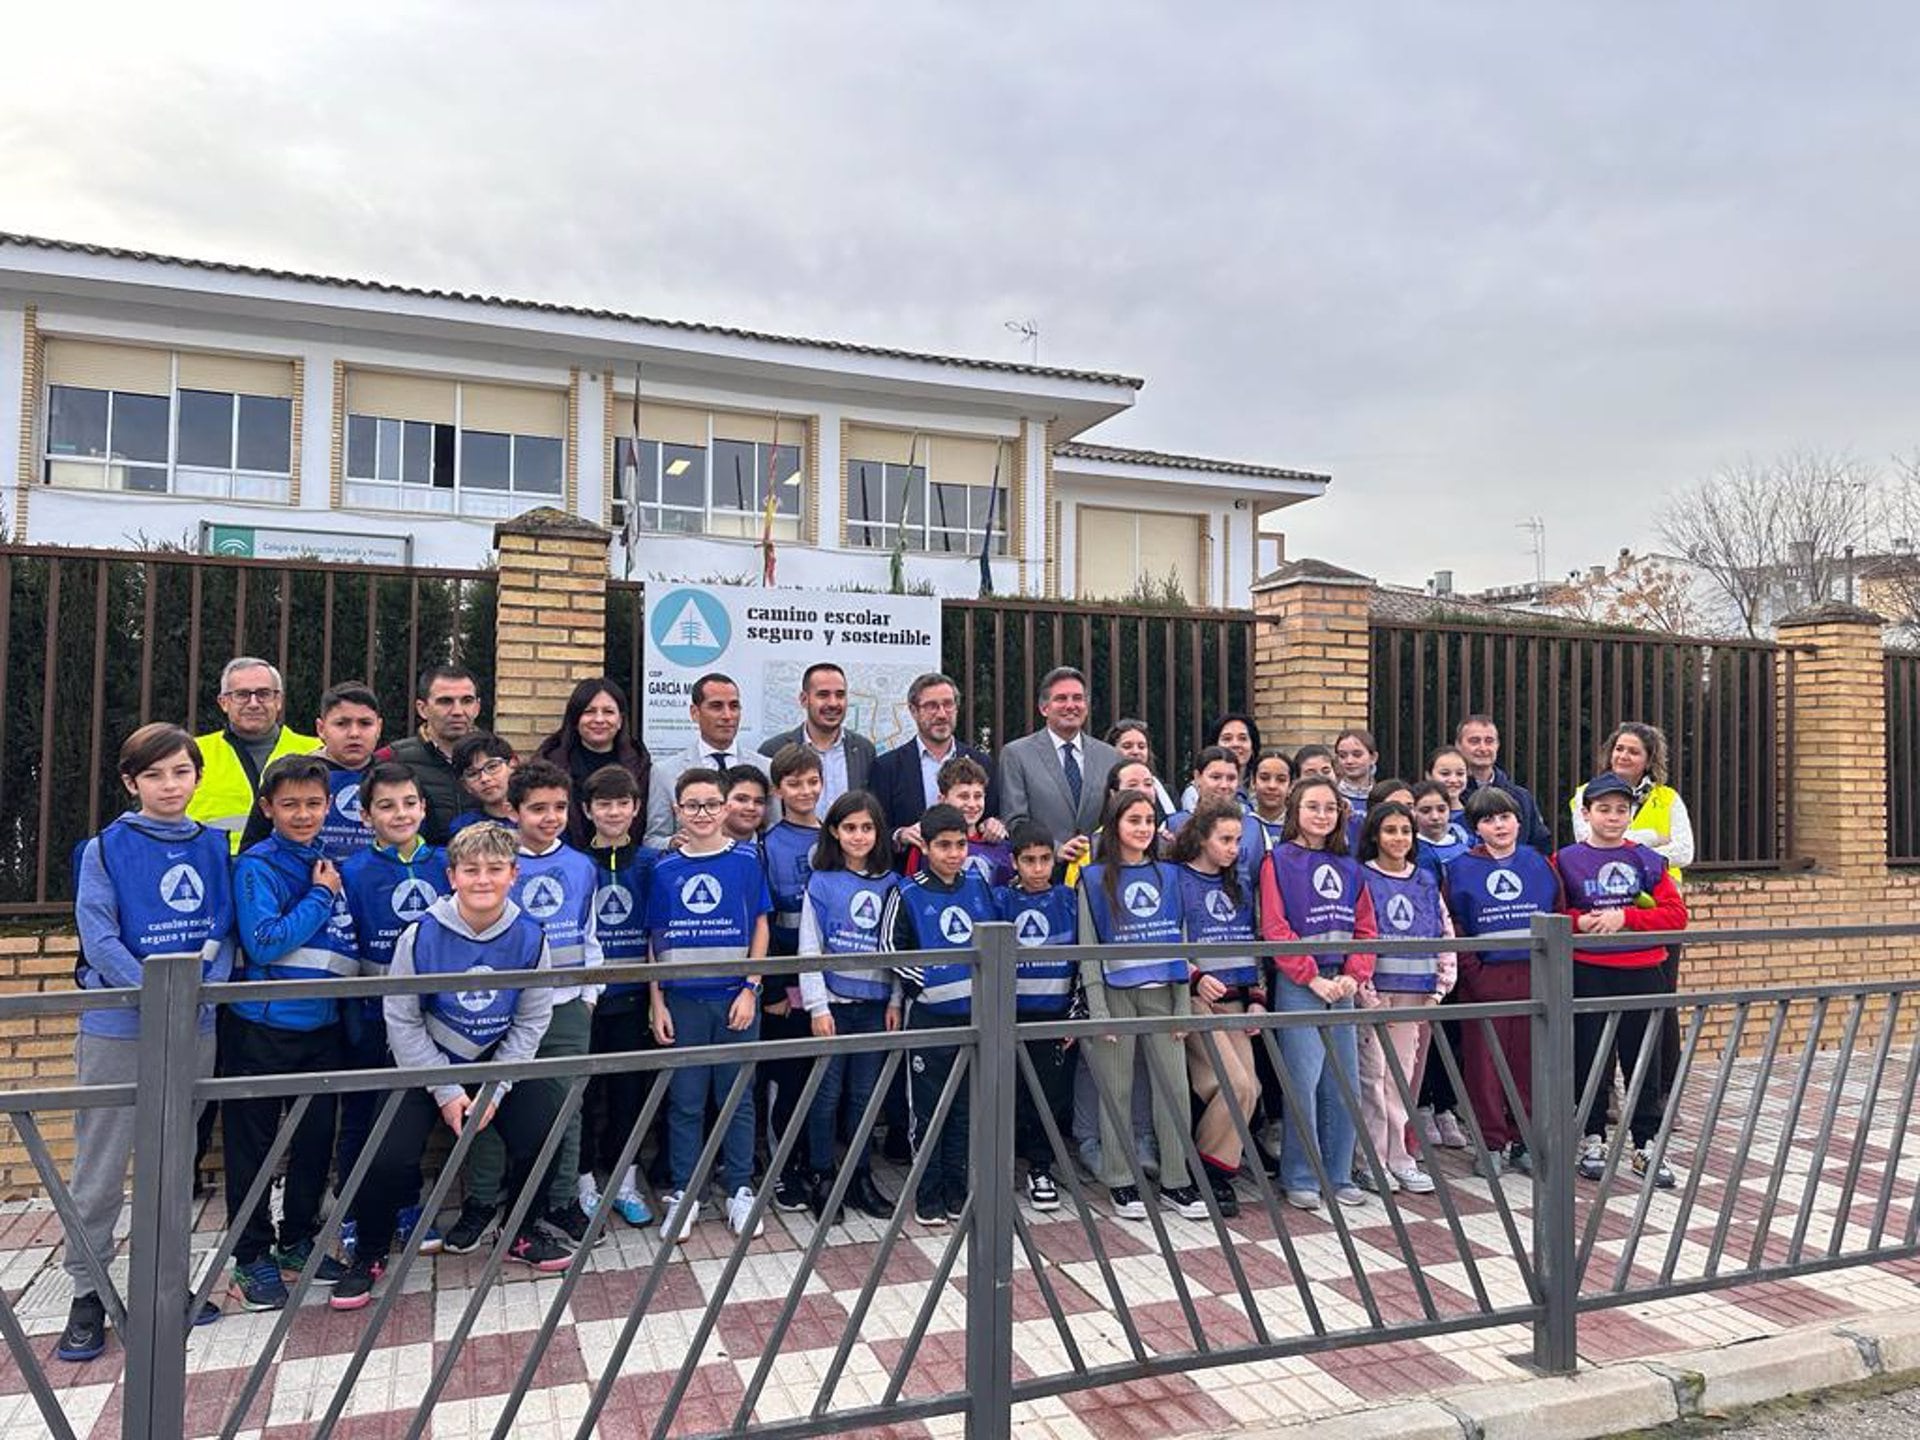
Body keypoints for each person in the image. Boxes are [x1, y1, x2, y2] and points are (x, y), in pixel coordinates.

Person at [331, 823, 572, 1309]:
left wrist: (495, 1088)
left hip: (495, 1061)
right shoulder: (420, 935)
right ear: (452, 876)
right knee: (387, 1153)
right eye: (471, 870)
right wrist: (445, 1089)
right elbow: (401, 1019)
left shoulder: (530, 935)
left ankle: (521, 1231)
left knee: (546, 1131)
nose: (483, 880)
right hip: (428, 1062)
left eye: (495, 870)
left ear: (514, 874)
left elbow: (532, 1018)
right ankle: (371, 1253)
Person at [58, 725, 233, 1362]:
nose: (170, 786)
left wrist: (199, 993)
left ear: (196, 777)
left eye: (181, 773)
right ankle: (87, 1291)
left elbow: (223, 928)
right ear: (132, 782)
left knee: (172, 1163)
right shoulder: (104, 849)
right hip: (119, 1029)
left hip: (196, 1027)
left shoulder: (217, 846)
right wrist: (160, 994)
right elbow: (100, 939)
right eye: (155, 775)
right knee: (100, 1171)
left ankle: (164, 1283)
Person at [445, 760, 603, 1253]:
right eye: (537, 808)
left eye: (559, 807)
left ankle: (560, 1201)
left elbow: (589, 932)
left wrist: (588, 996)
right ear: (513, 811)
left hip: (565, 1008)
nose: (550, 817)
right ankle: (483, 1202)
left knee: (565, 1108)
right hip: (499, 1010)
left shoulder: (581, 865)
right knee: (490, 1108)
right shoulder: (496, 864)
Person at [223, 753, 358, 1310]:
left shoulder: (326, 859)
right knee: (252, 1146)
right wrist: (321, 896)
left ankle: (297, 1240)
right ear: (267, 808)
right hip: (262, 1029)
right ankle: (251, 1254)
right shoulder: (256, 865)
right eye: (289, 805)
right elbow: (265, 941)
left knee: (312, 1142)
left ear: (328, 806)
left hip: (320, 1028)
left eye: (313, 804)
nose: (302, 815)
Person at [649, 768, 771, 1244]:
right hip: (683, 1001)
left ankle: (740, 1187)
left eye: (710, 805)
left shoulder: (745, 860)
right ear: (677, 810)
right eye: (691, 805)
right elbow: (653, 940)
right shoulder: (663, 868)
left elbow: (760, 925)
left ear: (725, 809)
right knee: (685, 1101)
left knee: (737, 1099)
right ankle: (686, 1191)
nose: (702, 813)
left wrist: (751, 986)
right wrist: (656, 1003)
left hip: (734, 999)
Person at [1076, 788, 1207, 1222]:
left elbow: (1180, 942)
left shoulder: (1170, 876)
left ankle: (1176, 1179)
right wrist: (1097, 1010)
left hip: (1163, 995)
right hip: (1114, 994)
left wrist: (1183, 1004)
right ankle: (1120, 1179)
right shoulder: (1094, 879)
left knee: (1173, 1089)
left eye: (1149, 820)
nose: (1143, 828)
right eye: (1133, 820)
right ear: (1115, 825)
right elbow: (1088, 949)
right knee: (1116, 1090)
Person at [337, 762, 449, 1255]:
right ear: (365, 816)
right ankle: (356, 1209)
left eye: (408, 802)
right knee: (361, 1115)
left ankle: (406, 1205)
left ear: (423, 808)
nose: (399, 813)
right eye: (386, 805)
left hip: (433, 1018)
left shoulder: (446, 863)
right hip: (368, 1015)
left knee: (408, 1117)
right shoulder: (352, 872)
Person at [1558, 772, 1689, 1189]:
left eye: (1621, 810)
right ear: (1586, 813)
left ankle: (1646, 1142)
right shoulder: (1564, 860)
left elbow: (1675, 915)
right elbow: (1553, 913)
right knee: (1589, 1056)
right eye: (1604, 809)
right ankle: (1592, 1138)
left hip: (1643, 968)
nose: (1613, 817)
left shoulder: (1648, 860)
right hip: (1590, 969)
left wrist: (1626, 917)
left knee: (1644, 1059)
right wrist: (1582, 921)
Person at [1259, 775, 1376, 1211]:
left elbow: (1366, 928)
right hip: (1300, 984)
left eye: (1330, 808)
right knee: (1302, 1084)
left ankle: (1339, 1173)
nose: (1322, 815)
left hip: (1341, 983)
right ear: (1296, 811)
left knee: (1342, 1083)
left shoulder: (1350, 866)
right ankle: (1300, 1175)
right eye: (1313, 807)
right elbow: (1275, 927)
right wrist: (1310, 978)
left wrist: (1354, 974)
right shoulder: (1279, 862)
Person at [883, 803, 1003, 1226]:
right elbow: (890, 948)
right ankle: (927, 1192)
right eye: (944, 846)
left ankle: (958, 1189)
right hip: (931, 1017)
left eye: (960, 845)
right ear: (927, 847)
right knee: (929, 1108)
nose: (954, 854)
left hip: (977, 1018)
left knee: (966, 1110)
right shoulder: (907, 890)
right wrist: (927, 981)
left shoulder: (977, 885)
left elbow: (996, 941)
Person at [1568, 722, 1694, 1099]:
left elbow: (1685, 852)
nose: (1624, 756)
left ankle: (1660, 1094)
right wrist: (1653, 841)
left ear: (1649, 759)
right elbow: (1584, 841)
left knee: (1660, 1006)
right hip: (1599, 915)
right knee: (1598, 1014)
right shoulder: (1584, 794)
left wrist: (1630, 848)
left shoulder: (1667, 799)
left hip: (1654, 916)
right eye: (1619, 748)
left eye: (1634, 751)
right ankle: (1602, 1094)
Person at [1443, 787, 1563, 1179]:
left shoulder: (1539, 863)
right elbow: (1454, 926)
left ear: (1519, 820)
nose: (1499, 825)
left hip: (1535, 977)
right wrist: (1472, 972)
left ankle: (1523, 1140)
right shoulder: (1460, 868)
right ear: (1476, 827)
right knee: (1485, 1067)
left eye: (1506, 817)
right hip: (1485, 979)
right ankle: (1490, 1143)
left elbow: (1558, 915)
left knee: (1529, 1063)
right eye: (1489, 819)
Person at [797, 790, 901, 1220]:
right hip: (835, 1006)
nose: (858, 836)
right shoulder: (821, 882)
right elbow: (809, 948)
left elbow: (898, 949)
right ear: (835, 832)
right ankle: (823, 1175)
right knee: (826, 1096)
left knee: (864, 1097)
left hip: (875, 1006)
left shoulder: (892, 884)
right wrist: (818, 1006)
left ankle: (859, 1175)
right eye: (850, 828)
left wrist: (895, 998)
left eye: (867, 828)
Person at [1170, 798, 1264, 1217]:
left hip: (1237, 1000)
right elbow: (1160, 936)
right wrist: (1192, 976)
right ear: (1201, 838)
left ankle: (1209, 1165)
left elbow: (1253, 941)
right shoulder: (1175, 879)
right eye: (1225, 839)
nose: (1233, 848)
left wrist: (1257, 998)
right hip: (1196, 999)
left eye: (1238, 840)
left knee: (1252, 1089)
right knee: (1233, 1086)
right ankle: (1207, 1173)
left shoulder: (1240, 882)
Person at [1354, 801, 1454, 1197]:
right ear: (1375, 836)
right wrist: (1368, 994)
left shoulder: (1426, 880)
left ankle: (1401, 1158)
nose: (1398, 839)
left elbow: (1444, 933)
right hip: (1378, 996)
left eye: (1405, 831)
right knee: (1372, 1077)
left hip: (1416, 995)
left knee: (1401, 1079)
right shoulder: (1363, 878)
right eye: (1390, 830)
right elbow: (1359, 935)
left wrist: (1441, 987)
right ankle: (1371, 1160)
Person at [576, 765, 657, 1228]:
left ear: (635, 808)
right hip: (586, 1001)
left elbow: (657, 932)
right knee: (585, 1094)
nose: (613, 811)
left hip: (632, 998)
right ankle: (584, 1182)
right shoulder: (574, 863)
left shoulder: (650, 862)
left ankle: (625, 1183)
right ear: (587, 810)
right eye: (603, 804)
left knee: (628, 1094)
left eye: (622, 803)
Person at [996, 819, 1078, 1212]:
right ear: (1014, 862)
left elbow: (1082, 960)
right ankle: (1000, 1168)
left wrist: (1075, 1014)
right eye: (1029, 860)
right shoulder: (1001, 901)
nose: (1038, 868)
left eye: (1045, 859)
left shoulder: (1068, 900)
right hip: (1010, 1016)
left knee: (1047, 1096)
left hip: (1053, 1014)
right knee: (1008, 1094)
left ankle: (1041, 1168)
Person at [761, 745, 826, 1214]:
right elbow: (766, 921)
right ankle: (783, 1167)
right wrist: (778, 987)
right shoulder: (770, 843)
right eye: (795, 783)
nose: (805, 791)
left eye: (812, 781)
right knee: (788, 1078)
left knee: (820, 1080)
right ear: (778, 790)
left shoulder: (838, 836)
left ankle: (814, 1161)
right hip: (788, 978)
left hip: (829, 979)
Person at [187, 657, 319, 854]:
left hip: (295, 873)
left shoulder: (316, 752)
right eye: (242, 695)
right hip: (216, 874)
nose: (254, 703)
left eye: (264, 694)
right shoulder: (192, 753)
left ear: (279, 700)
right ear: (224, 702)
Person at [238, 680, 383, 856]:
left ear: (379, 728)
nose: (354, 733)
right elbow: (252, 847)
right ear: (321, 729)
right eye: (342, 724)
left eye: (365, 723)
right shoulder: (290, 775)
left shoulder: (393, 778)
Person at [869, 672, 1001, 854]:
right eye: (931, 706)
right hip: (909, 872)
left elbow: (993, 815)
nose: (941, 714)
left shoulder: (982, 763)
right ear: (913, 711)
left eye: (948, 705)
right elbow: (875, 828)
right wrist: (900, 835)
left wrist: (993, 824)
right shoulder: (887, 767)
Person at [645, 673, 770, 846]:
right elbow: (653, 839)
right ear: (695, 713)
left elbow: (773, 831)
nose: (727, 715)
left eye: (734, 706)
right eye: (716, 706)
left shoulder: (765, 767)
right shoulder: (665, 772)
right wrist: (672, 843)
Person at [999, 666, 1120, 844]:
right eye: (1061, 699)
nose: (1071, 706)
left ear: (1086, 706)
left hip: (1099, 866)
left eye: (1078, 698)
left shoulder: (1110, 756)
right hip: (1044, 866)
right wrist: (1056, 850)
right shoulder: (1017, 755)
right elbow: (1016, 822)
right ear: (1043, 708)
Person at [533, 677, 653, 850]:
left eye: (608, 712)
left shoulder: (640, 765)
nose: (599, 719)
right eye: (589, 711)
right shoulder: (549, 764)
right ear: (575, 719)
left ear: (620, 720)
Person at [384, 665, 484, 846]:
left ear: (477, 707)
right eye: (445, 701)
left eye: (467, 701)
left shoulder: (498, 760)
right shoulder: (393, 758)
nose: (457, 711)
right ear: (422, 709)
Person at [759, 662, 879, 809]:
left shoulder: (863, 750)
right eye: (823, 695)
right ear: (804, 700)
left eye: (840, 695)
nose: (833, 703)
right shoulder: (773, 750)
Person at [906, 756, 1012, 885]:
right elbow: (911, 893)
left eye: (978, 796)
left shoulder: (1001, 845)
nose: (972, 804)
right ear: (942, 799)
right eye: (963, 796)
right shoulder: (924, 846)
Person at [1456, 715, 1554, 853]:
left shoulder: (1522, 797)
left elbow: (1540, 846)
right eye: (1474, 741)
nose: (1483, 748)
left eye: (1489, 741)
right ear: (1458, 745)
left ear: (1497, 745)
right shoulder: (1450, 797)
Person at [1176, 713, 1261, 810]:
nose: (1235, 744)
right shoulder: (1196, 792)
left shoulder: (1260, 786)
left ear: (1253, 747)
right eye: (1227, 739)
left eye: (1242, 738)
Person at [1104, 719, 1179, 816]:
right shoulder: (1096, 791)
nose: (1136, 751)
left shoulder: (1168, 793)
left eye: (1141, 746)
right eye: (1127, 746)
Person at [449, 732, 518, 834]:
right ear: (465, 785)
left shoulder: (534, 818)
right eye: (472, 774)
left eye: (492, 767)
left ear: (512, 764)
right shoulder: (464, 828)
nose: (484, 779)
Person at [1165, 746, 1243, 835]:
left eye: (1231, 778)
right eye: (1215, 777)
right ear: (1197, 777)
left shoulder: (1254, 826)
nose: (1224, 785)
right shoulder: (1175, 825)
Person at [1332, 728, 1380, 834]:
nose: (1349, 761)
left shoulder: (1384, 798)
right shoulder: (1331, 797)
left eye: (1357, 755)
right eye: (1342, 756)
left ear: (1373, 758)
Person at [722, 765, 772, 844]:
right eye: (741, 799)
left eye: (759, 801)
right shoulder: (699, 848)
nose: (751, 807)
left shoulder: (776, 847)